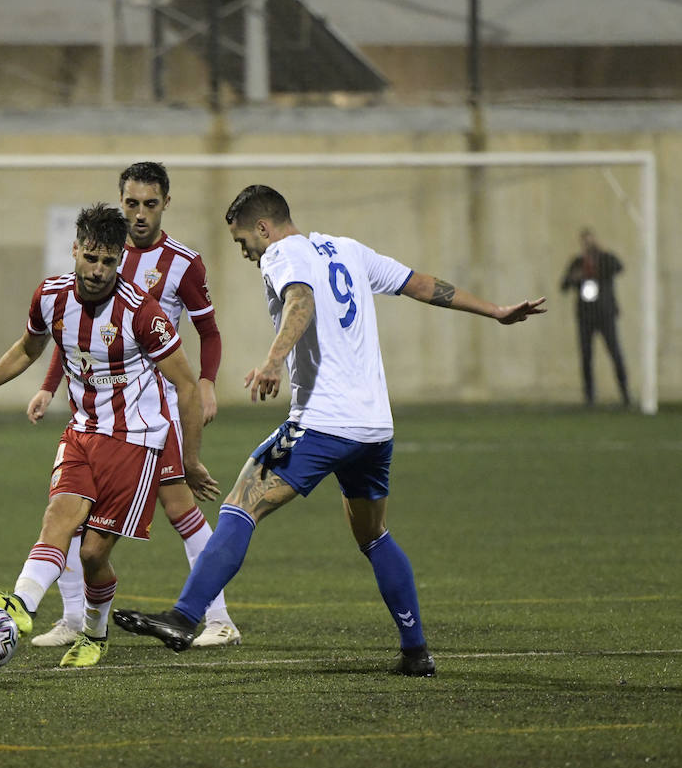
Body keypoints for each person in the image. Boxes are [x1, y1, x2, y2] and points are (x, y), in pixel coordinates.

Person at [114, 184, 545, 676]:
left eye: (243, 243)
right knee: (374, 534)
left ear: (262, 227)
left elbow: (301, 299)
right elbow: (422, 284)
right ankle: (415, 651)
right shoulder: (348, 249)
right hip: (374, 428)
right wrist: (495, 311)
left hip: (323, 421)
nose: (246, 254)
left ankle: (185, 617)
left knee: (240, 505)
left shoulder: (282, 254)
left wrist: (273, 361)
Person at [0, 203, 219, 668]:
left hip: (134, 442)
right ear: (75, 249)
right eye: (91, 258)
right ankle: (20, 605)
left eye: (109, 261)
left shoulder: (143, 313)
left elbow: (185, 384)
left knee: (94, 554)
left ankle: (95, 635)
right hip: (81, 433)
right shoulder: (51, 296)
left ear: (120, 259)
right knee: (58, 519)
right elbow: (27, 348)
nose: (98, 270)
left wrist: (191, 458)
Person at [25, 162, 239, 649]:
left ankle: (219, 617)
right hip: (108, 413)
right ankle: (75, 618)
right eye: (131, 204)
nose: (140, 214)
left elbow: (209, 331)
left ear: (166, 203)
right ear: (120, 203)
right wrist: (48, 385)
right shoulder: (104, 257)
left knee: (179, 507)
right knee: (79, 512)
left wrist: (206, 383)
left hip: (156, 410)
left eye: (149, 204)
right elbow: (76, 335)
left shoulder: (183, 263)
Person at [559, 228, 628, 406]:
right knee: (586, 356)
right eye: (585, 242)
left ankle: (625, 394)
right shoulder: (578, 262)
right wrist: (575, 277)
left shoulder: (605, 259)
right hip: (585, 316)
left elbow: (619, 267)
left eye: (591, 241)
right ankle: (589, 397)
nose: (588, 245)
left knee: (615, 353)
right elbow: (564, 285)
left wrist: (601, 252)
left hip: (605, 314)